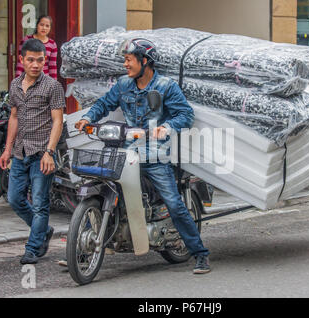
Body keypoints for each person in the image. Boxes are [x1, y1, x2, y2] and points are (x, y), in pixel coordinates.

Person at [75, 38, 211, 274]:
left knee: (174, 204)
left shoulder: (166, 86)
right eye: (125, 60)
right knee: (101, 187)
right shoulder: (122, 85)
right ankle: (83, 252)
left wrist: (166, 127)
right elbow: (104, 103)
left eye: (129, 60)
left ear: (144, 61)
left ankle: (200, 254)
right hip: (125, 152)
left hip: (154, 156)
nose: (126, 64)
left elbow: (185, 114)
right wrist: (88, 118)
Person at [0, 38, 65, 265]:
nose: (35, 65)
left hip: (41, 154)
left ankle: (33, 248)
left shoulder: (53, 87)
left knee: (40, 203)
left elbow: (58, 122)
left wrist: (50, 152)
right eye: (31, 60)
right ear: (22, 60)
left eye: (40, 60)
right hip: (20, 153)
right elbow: (14, 117)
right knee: (14, 198)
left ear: (45, 61)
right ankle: (44, 231)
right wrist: (7, 149)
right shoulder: (15, 86)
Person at [15, 15, 58, 80]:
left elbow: (53, 67)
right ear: (37, 25)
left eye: (47, 26)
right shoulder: (26, 40)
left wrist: (54, 85)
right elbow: (20, 63)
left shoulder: (52, 44)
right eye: (41, 25)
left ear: (50, 28)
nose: (44, 28)